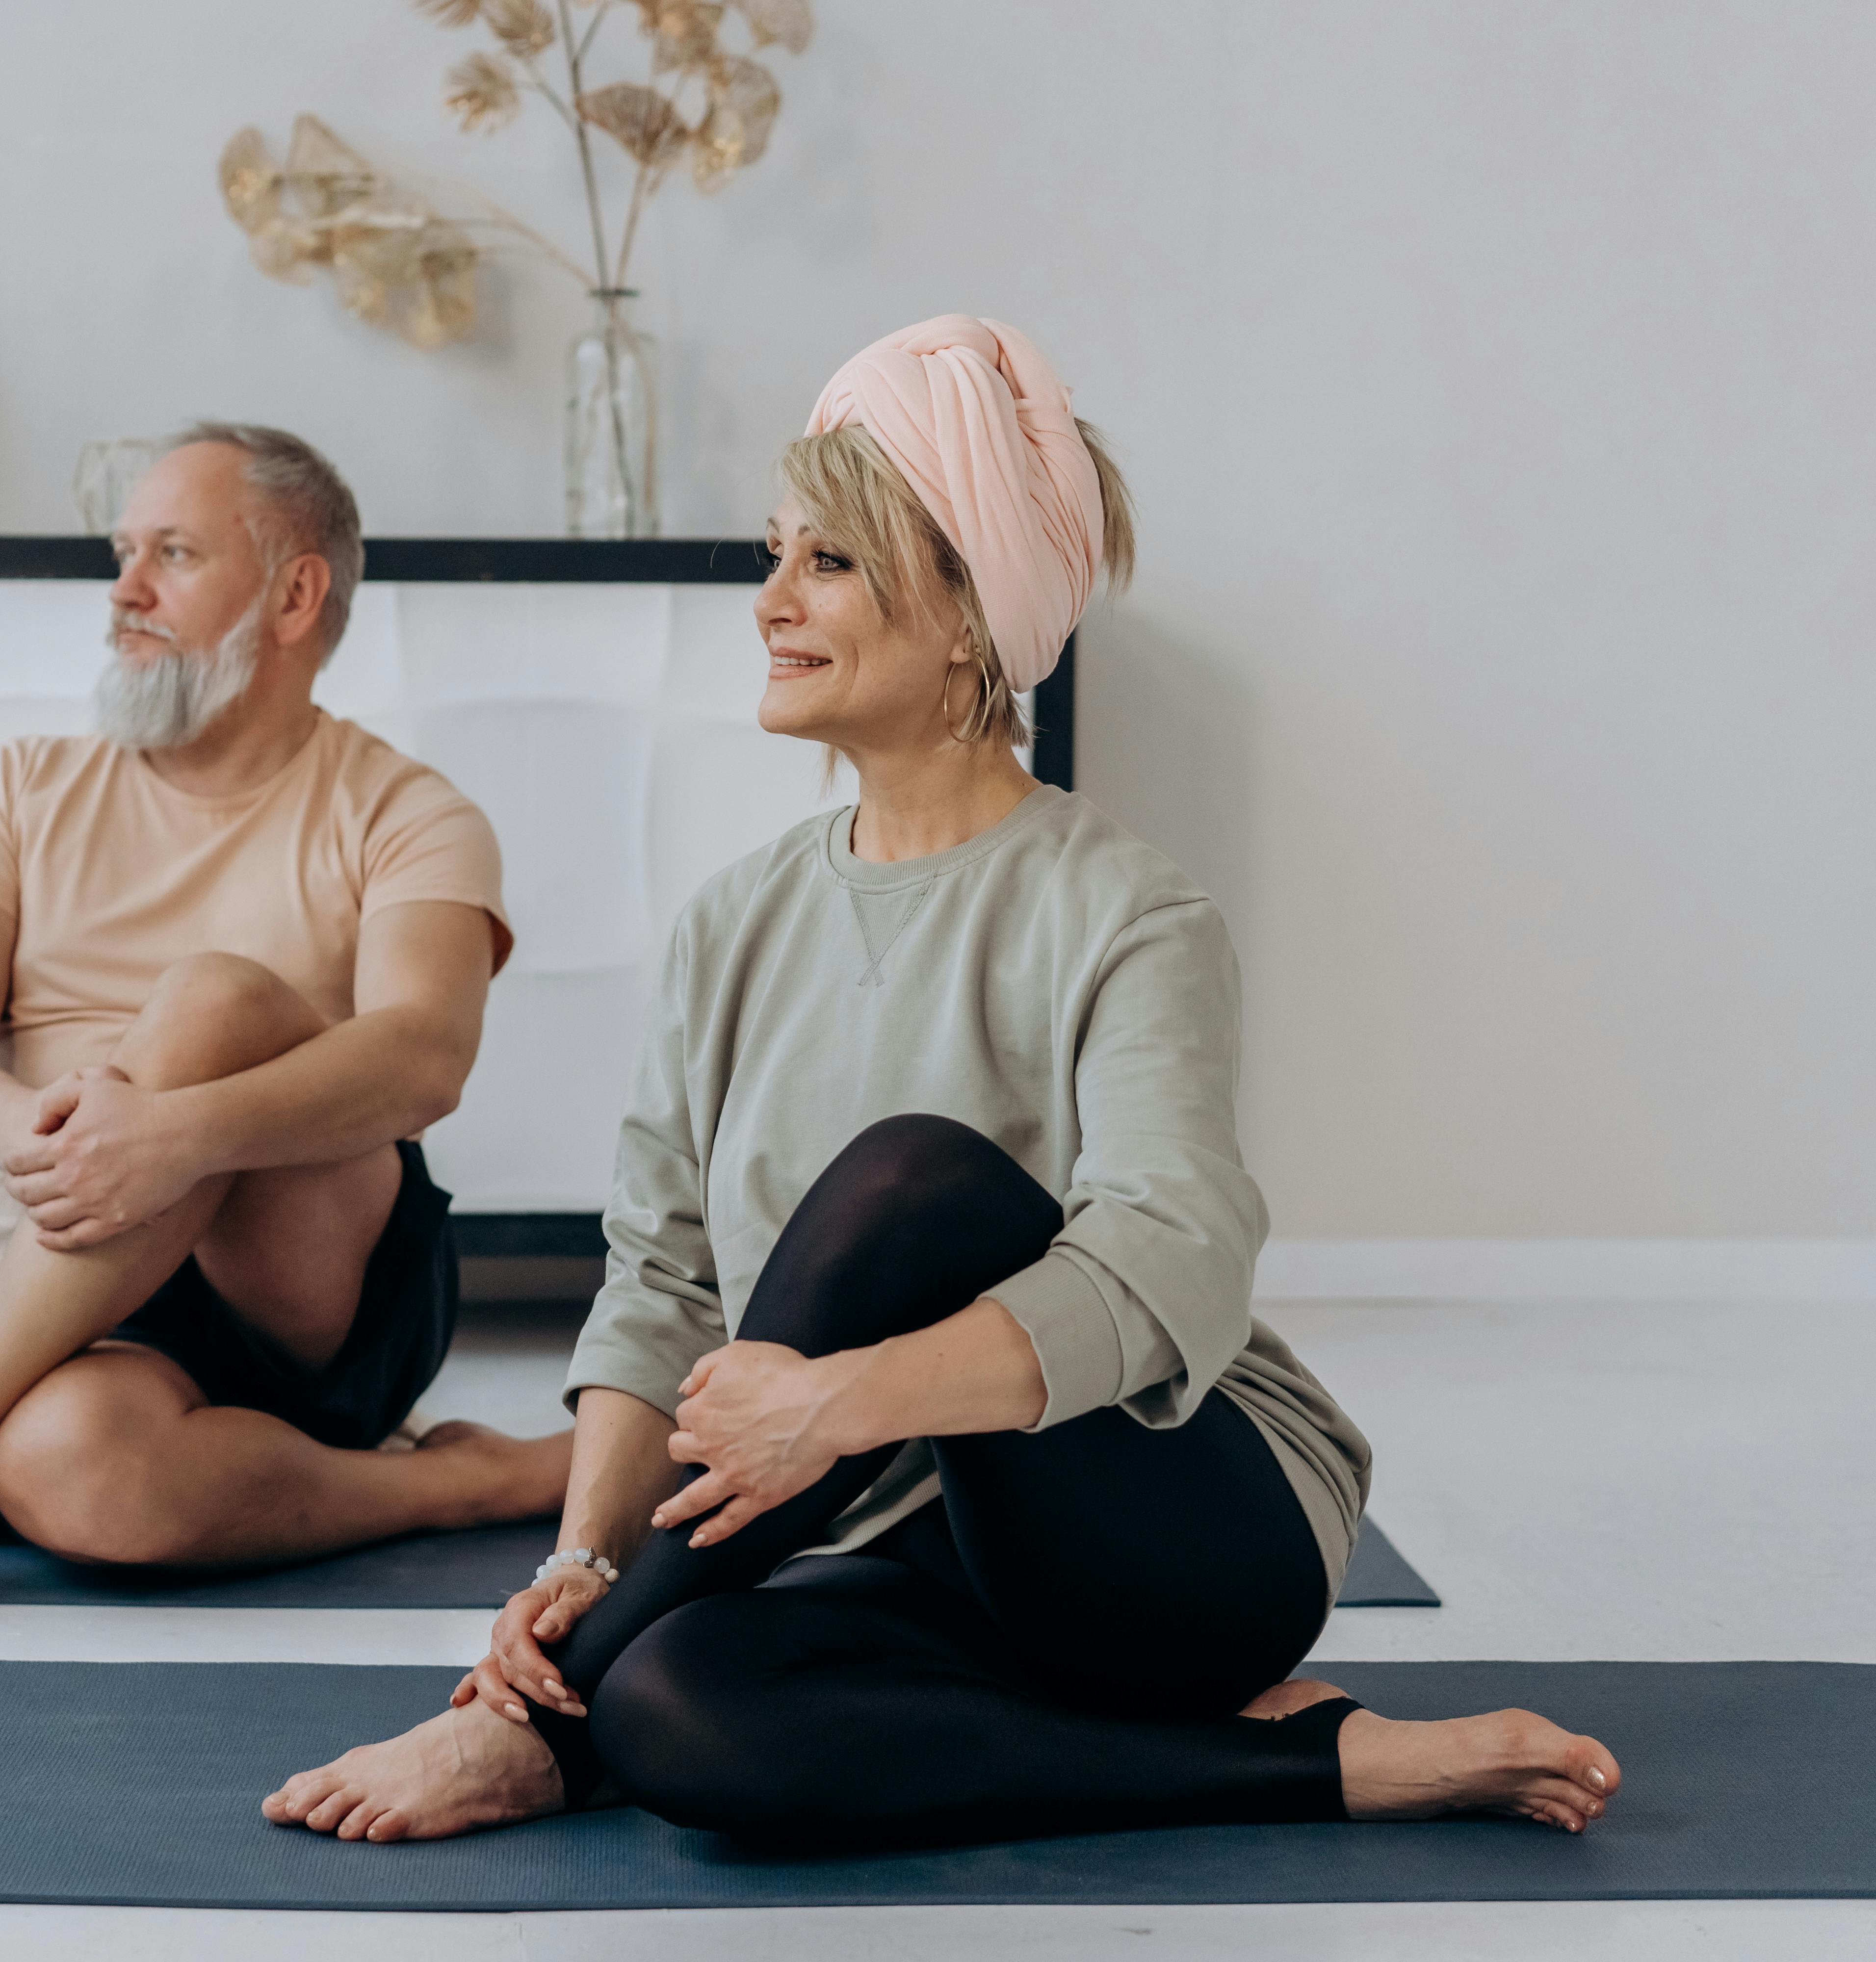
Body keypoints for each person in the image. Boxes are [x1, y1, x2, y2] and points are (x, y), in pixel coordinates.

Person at [264, 319, 1623, 1847]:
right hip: (912, 1553)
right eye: (775, 555)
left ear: (969, 615)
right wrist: (580, 1564)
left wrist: (838, 1405)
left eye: (829, 563)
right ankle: (1335, 1768)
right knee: (674, 1714)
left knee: (910, 1184)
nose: (772, 601)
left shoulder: (1125, 910)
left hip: (1177, 1538)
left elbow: (1177, 1251)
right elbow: (664, 1286)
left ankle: (525, 1720)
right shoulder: (733, 923)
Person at [0, 423, 570, 1634]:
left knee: (216, 998)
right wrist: (48, 1135)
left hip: (322, 1282)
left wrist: (173, 1133)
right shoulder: (19, 786)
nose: (124, 588)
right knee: (66, 1474)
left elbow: (423, 1055)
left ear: (295, 594)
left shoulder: (410, 810)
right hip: (87, 1277)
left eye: (172, 552)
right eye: (126, 551)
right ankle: (461, 1479)